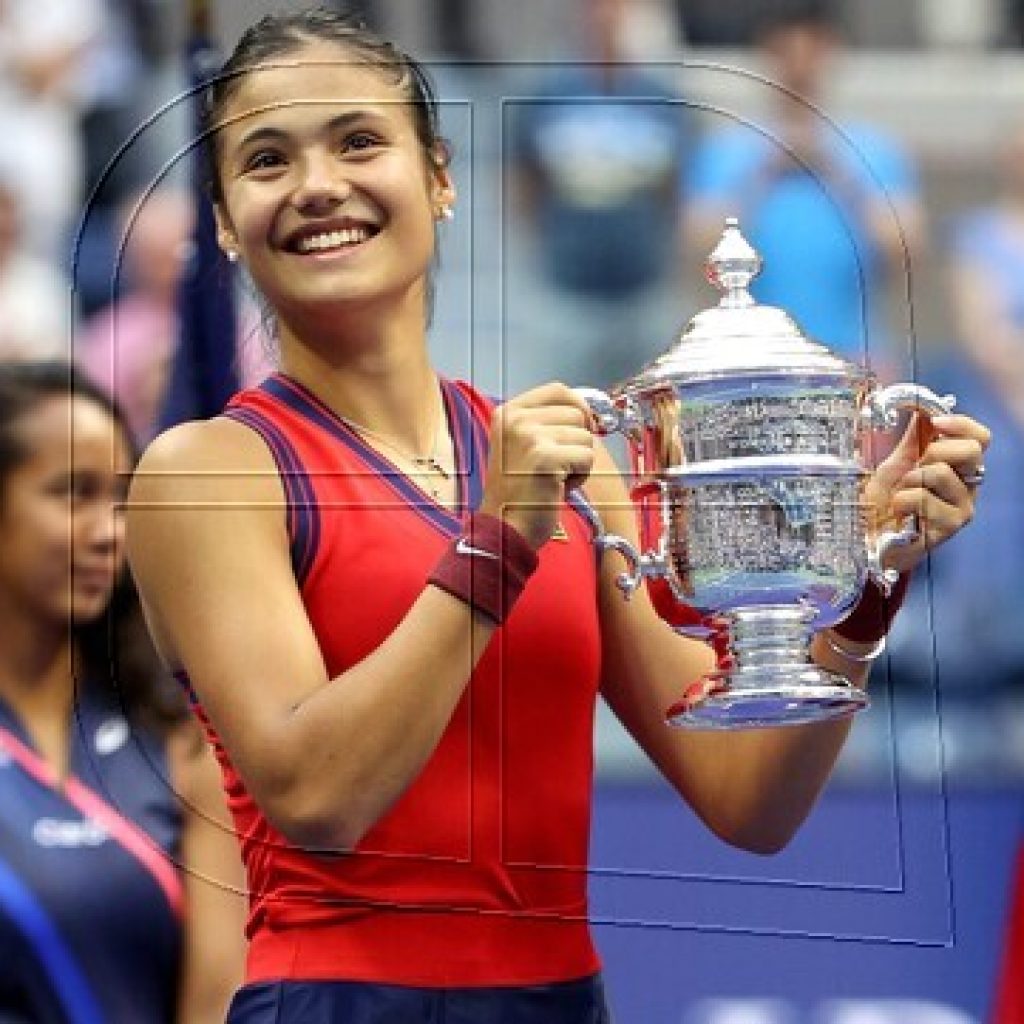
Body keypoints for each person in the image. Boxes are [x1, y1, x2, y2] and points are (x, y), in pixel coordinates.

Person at [124, 10, 990, 1021]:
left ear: (440, 178)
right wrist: (497, 542)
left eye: (359, 140)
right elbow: (318, 798)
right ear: (225, 217)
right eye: (267, 159)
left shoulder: (562, 467)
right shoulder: (208, 472)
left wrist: (865, 583)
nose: (318, 183)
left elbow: (747, 798)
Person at [0, 361, 245, 1022]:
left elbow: (221, 992)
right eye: (71, 493)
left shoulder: (178, 731)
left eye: (121, 496)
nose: (110, 530)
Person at [683, 2, 926, 371]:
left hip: (855, 353)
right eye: (786, 50)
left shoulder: (873, 149)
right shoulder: (728, 150)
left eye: (811, 49)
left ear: (830, 51)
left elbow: (907, 249)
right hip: (752, 358)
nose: (799, 64)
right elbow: (698, 245)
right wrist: (765, 174)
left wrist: (839, 174)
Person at [508, 0, 690, 392]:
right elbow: (524, 182)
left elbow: (676, 190)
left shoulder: (660, 99)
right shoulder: (548, 97)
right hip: (568, 288)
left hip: (643, 287)